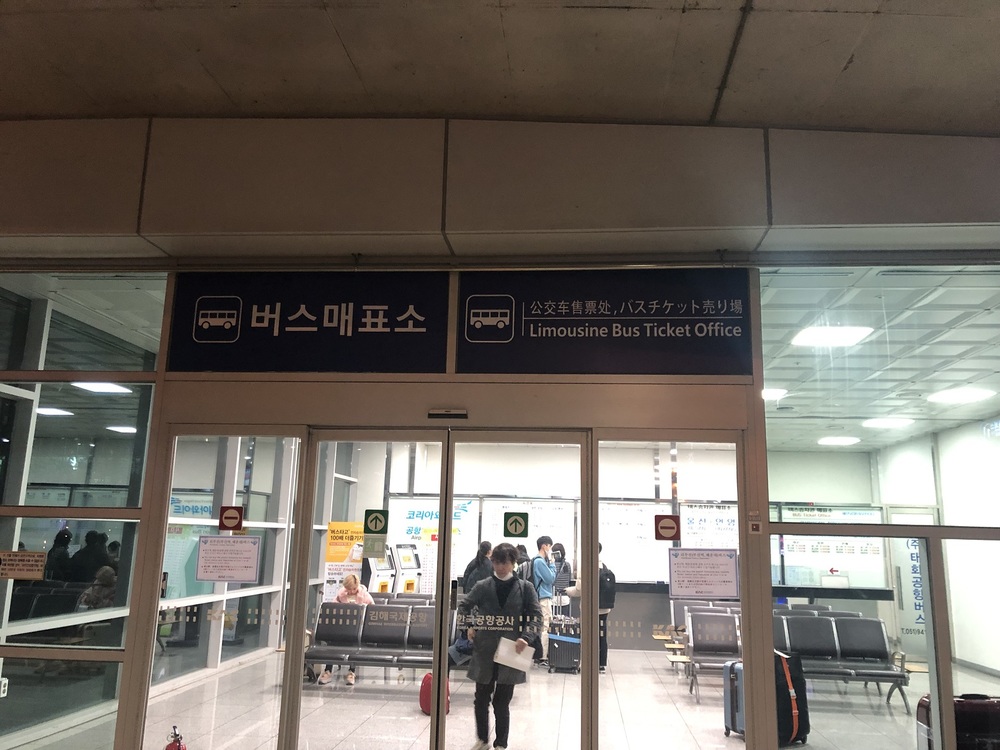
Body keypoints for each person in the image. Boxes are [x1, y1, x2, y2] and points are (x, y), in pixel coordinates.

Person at [457, 542, 541, 750]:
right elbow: (464, 606)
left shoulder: (525, 588)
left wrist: (526, 637)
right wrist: (469, 626)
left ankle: (501, 743)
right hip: (485, 648)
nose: (501, 567)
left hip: (512, 648)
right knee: (481, 698)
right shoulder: (483, 586)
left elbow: (536, 616)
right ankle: (482, 739)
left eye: (505, 563)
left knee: (502, 701)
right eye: (496, 562)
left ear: (513, 563)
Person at [566, 542, 616, 673]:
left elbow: (579, 589)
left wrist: (568, 590)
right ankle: (601, 664)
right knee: (601, 634)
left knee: (587, 635)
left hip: (589, 608)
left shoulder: (585, 566)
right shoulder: (603, 566)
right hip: (604, 608)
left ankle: (587, 662)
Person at [317, 573, 374, 686]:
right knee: (332, 643)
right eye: (348, 589)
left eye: (353, 589)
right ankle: (328, 671)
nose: (351, 591)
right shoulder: (340, 596)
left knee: (354, 643)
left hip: (357, 630)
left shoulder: (364, 595)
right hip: (341, 629)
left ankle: (351, 672)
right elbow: (333, 610)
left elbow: (372, 610)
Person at [528, 535, 557, 666]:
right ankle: (542, 656)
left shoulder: (537, 560)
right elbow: (550, 579)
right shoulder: (540, 561)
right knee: (545, 625)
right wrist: (552, 564)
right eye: (549, 546)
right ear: (544, 546)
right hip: (543, 597)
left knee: (541, 625)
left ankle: (540, 655)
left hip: (540, 596)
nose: (550, 549)